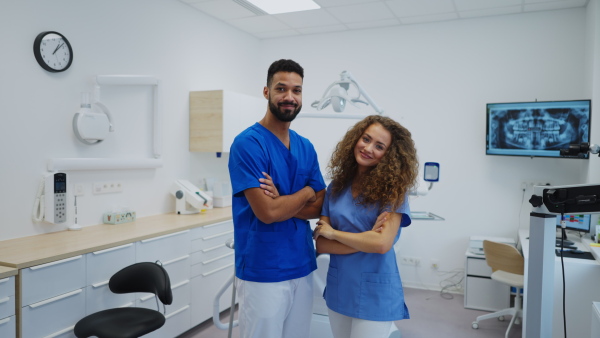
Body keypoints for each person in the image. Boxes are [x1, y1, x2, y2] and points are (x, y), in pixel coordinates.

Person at [228, 59, 326, 338]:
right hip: (263, 267)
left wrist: (284, 199)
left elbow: (320, 205)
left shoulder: (305, 146)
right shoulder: (248, 144)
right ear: (266, 92)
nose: (289, 97)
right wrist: (306, 192)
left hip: (302, 263)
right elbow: (267, 213)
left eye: (297, 90)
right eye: (281, 89)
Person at [312, 115, 419, 338]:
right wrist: (366, 238)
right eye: (366, 139)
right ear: (356, 139)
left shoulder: (393, 192)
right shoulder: (336, 187)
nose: (368, 148)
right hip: (340, 287)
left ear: (389, 156)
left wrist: (335, 234)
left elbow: (381, 244)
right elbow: (321, 244)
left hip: (374, 292)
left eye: (379, 146)